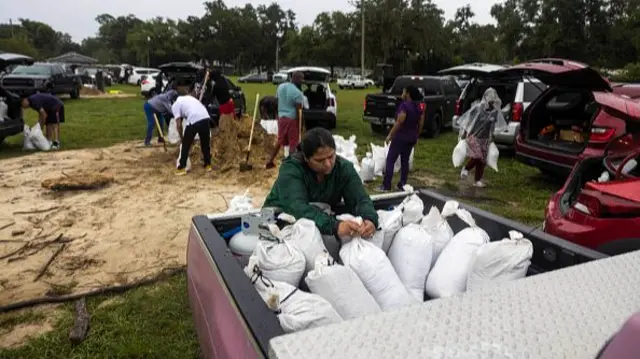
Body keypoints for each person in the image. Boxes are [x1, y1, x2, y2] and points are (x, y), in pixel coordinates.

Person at [264, 127, 379, 257]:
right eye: (320, 160)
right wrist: (334, 226)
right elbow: (297, 207)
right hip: (276, 218)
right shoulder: (291, 170)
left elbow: (360, 198)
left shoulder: (343, 168)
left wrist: (369, 218)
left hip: (317, 221)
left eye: (331, 156)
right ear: (306, 158)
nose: (328, 164)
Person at [377, 85, 425, 192]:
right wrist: (417, 134)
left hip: (400, 137)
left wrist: (390, 135)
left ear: (407, 94)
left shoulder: (405, 106)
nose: (402, 94)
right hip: (411, 138)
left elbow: (399, 122)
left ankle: (386, 185)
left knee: (390, 159)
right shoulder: (419, 106)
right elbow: (421, 122)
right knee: (405, 161)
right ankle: (402, 184)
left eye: (403, 92)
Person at [459, 87, 507, 188]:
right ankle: (466, 169)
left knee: (482, 161)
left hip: (485, 138)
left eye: (493, 100)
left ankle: (477, 180)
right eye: (490, 100)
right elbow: (468, 121)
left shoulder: (494, 111)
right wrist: (464, 133)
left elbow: (492, 125)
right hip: (474, 136)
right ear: (485, 98)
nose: (491, 102)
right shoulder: (478, 108)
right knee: (478, 157)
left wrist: (492, 136)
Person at [265, 71, 306, 169]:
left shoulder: (281, 87)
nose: (302, 82)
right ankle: (291, 165)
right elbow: (299, 111)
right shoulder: (298, 93)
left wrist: (277, 115)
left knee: (280, 140)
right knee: (293, 143)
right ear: (296, 80)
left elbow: (277, 101)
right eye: (301, 80)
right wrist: (301, 125)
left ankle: (270, 161)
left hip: (281, 118)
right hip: (292, 119)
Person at [172, 87, 212, 176]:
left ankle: (181, 167)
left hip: (194, 119)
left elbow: (178, 124)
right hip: (205, 117)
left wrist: (182, 137)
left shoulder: (176, 104)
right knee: (205, 143)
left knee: (185, 145)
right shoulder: (189, 99)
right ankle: (208, 165)